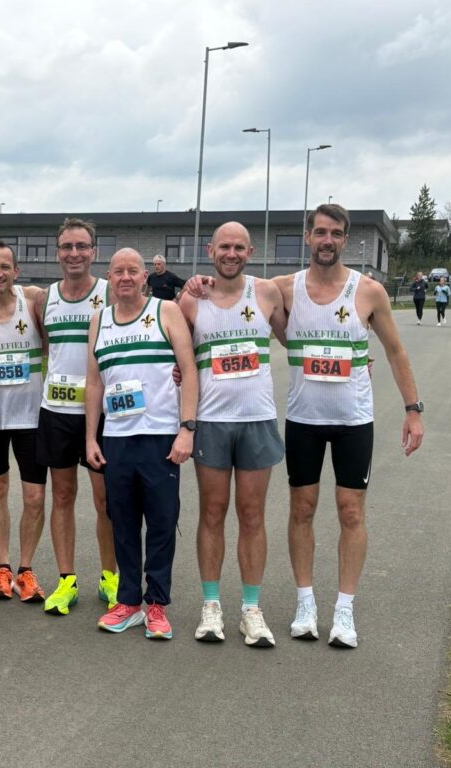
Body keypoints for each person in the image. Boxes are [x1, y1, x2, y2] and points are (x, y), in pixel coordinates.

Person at [276, 204, 423, 648]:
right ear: (307, 236)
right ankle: (305, 603)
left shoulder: (369, 291)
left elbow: (395, 351)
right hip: (303, 419)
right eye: (320, 232)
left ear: (345, 240)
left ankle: (344, 608)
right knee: (302, 509)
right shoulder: (285, 289)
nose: (327, 240)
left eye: (335, 233)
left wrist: (413, 410)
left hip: (353, 420)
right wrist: (200, 285)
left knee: (351, 511)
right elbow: (233, 296)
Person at [177, 223, 286, 647]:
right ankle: (211, 606)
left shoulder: (267, 293)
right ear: (211, 250)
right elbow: (176, 354)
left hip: (257, 418)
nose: (231, 253)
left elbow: (294, 338)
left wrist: (359, 358)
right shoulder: (192, 298)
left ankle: (251, 610)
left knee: (253, 515)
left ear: (250, 252)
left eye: (239, 247)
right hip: (211, 420)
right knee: (212, 512)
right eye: (224, 246)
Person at [86, 248, 198, 639]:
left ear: (145, 276)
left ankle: (157, 605)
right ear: (109, 278)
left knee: (162, 522)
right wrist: (90, 437)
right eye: (118, 271)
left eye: (133, 270)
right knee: (123, 522)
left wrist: (187, 429)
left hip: (160, 436)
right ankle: (129, 601)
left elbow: (189, 369)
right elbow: (95, 383)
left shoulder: (165, 311)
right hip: (116, 438)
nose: (125, 277)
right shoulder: (99, 320)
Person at [32, 218, 118, 616]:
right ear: (57, 253)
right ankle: (66, 580)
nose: (74, 253)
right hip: (57, 410)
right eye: (67, 246)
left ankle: (110, 577)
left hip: (101, 413)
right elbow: (43, 345)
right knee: (63, 496)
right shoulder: (44, 298)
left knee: (105, 501)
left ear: (94, 252)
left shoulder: (110, 292)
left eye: (82, 246)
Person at [0, 241, 49, 602]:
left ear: (16, 271)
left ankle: (26, 569)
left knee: (35, 496)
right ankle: (3, 568)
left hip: (31, 416)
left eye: (5, 266)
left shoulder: (33, 299)